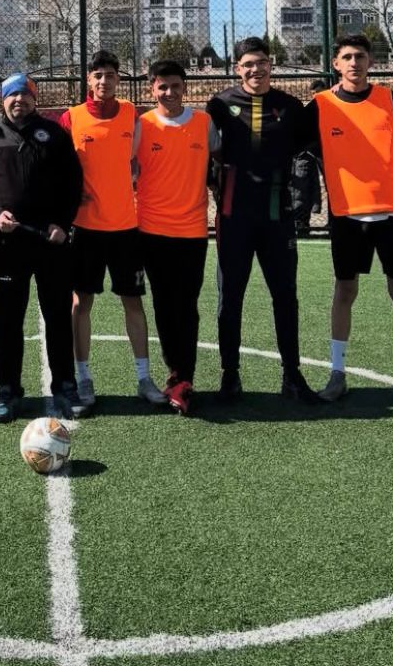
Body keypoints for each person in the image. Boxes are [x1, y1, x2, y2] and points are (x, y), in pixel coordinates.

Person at [301, 33, 393, 406]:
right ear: (335, 64)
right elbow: (288, 143)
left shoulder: (390, 100)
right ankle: (337, 375)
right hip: (347, 215)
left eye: (360, 56)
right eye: (347, 57)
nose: (354, 63)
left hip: (392, 213)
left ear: (371, 62)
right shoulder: (320, 105)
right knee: (345, 292)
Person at [0, 73, 84, 422]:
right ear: (3, 99)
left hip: (51, 242)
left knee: (57, 316)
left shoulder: (54, 134)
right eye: (12, 95)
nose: (19, 101)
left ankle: (65, 386)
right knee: (9, 320)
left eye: (26, 95)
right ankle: (8, 391)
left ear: (35, 99)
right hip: (8, 244)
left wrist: (63, 223)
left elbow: (73, 183)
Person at [206, 38, 320, 404]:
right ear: (237, 68)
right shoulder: (219, 105)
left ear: (271, 64)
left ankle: (292, 375)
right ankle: (230, 376)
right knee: (229, 298)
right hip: (233, 217)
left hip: (277, 217)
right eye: (248, 64)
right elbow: (206, 154)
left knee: (285, 296)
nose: (256, 70)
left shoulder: (290, 107)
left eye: (262, 62)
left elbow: (310, 150)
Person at [60, 50, 167, 412]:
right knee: (81, 303)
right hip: (85, 229)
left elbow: (137, 161)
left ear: (119, 79)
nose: (103, 81)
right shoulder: (71, 118)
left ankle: (144, 378)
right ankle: (83, 378)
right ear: (88, 79)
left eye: (110, 75)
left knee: (133, 302)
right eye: (97, 75)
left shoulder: (131, 114)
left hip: (125, 228)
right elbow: (59, 167)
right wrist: (72, 192)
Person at [135, 60, 220, 415]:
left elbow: (221, 166)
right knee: (163, 305)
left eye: (175, 86)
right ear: (152, 89)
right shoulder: (141, 125)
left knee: (187, 305)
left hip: (192, 230)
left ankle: (183, 378)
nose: (169, 92)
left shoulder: (204, 123)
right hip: (151, 230)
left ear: (185, 87)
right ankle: (175, 372)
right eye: (162, 86)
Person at [291, 78, 328, 237]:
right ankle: (302, 222)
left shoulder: (332, 106)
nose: (316, 95)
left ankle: (334, 220)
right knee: (305, 186)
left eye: (318, 92)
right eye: (313, 93)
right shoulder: (312, 107)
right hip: (314, 151)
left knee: (331, 187)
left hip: (326, 151)